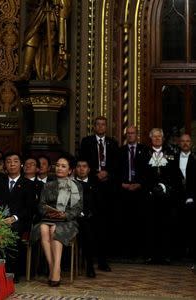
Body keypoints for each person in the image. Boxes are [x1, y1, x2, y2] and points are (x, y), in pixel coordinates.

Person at [31, 154, 82, 287]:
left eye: (63, 166)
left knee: (54, 228)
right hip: (48, 218)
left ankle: (55, 269)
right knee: (43, 228)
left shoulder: (76, 186)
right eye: (58, 165)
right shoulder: (48, 185)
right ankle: (54, 267)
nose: (59, 168)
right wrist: (49, 212)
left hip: (67, 221)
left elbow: (77, 208)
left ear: (70, 170)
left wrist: (64, 215)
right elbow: (41, 205)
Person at [79, 116, 119, 272]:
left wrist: (107, 173)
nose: (101, 127)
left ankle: (103, 260)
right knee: (90, 224)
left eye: (104, 124)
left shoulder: (113, 143)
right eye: (98, 124)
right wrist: (96, 173)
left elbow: (117, 163)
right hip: (91, 187)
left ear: (106, 127)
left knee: (104, 226)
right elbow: (83, 162)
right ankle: (89, 261)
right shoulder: (86, 141)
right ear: (94, 126)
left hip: (108, 189)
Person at [0, 152, 36, 282]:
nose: (12, 164)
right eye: (9, 161)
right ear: (4, 165)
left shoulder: (28, 184)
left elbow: (30, 208)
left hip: (19, 220)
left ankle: (11, 271)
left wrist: (14, 217)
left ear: (21, 164)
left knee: (13, 231)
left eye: (15, 161)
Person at [144, 128, 178, 264]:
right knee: (150, 226)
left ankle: (165, 255)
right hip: (150, 196)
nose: (157, 139)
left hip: (166, 196)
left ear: (163, 139)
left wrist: (164, 187)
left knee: (166, 225)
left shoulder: (171, 153)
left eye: (159, 137)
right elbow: (142, 174)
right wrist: (151, 188)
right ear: (150, 138)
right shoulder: (144, 153)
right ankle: (151, 255)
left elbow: (175, 175)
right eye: (154, 137)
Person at [18, 0, 71, 81]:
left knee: (51, 32)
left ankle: (48, 69)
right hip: (38, 7)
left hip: (55, 7)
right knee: (32, 34)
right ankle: (26, 70)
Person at [117, 125, 148, 257]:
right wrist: (122, 184)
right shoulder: (120, 151)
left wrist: (140, 184)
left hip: (140, 190)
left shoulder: (145, 150)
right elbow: (115, 170)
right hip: (124, 189)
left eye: (133, 133)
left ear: (137, 135)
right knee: (125, 221)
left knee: (139, 220)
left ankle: (139, 250)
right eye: (128, 133)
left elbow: (148, 171)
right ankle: (126, 251)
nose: (130, 135)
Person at [173, 134, 195, 262]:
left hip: (192, 198)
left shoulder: (195, 158)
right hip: (177, 198)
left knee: (192, 227)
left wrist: (192, 196)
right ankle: (178, 253)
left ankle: (192, 253)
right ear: (179, 143)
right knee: (177, 225)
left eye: (188, 141)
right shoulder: (173, 159)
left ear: (191, 143)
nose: (185, 143)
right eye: (183, 141)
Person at [74, 158, 97, 278]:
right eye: (79, 166)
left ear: (88, 169)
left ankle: (89, 266)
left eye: (84, 166)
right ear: (75, 169)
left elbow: (97, 204)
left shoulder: (95, 184)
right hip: (72, 217)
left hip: (89, 218)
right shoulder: (70, 183)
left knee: (89, 230)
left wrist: (87, 213)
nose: (81, 169)